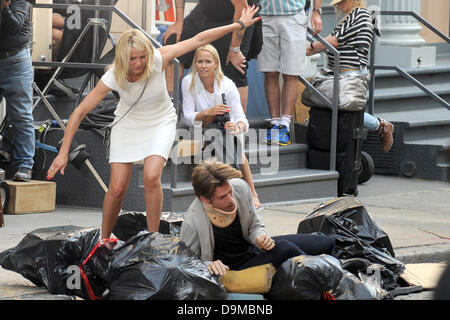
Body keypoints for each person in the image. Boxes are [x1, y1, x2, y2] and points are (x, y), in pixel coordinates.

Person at [46, 5, 262, 240]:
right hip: (127, 123)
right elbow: (78, 113)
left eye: (142, 57)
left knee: (151, 176)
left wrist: (238, 25)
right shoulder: (113, 75)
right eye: (132, 59)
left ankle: (152, 238)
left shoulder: (159, 58)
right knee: (117, 188)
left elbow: (200, 38)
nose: (138, 64)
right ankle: (104, 239)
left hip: (161, 120)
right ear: (122, 59)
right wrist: (63, 153)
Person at [181, 159, 336, 276]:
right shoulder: (192, 222)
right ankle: (322, 276)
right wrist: (209, 264)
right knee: (285, 249)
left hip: (254, 249)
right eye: (223, 197)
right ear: (205, 199)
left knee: (325, 242)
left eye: (230, 192)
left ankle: (333, 271)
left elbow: (255, 226)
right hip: (235, 268)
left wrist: (260, 237)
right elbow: (185, 264)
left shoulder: (240, 188)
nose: (231, 199)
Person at [306, 0, 394, 152]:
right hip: (341, 74)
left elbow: (335, 40)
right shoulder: (353, 16)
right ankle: (379, 126)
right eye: (337, 4)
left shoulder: (359, 15)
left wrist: (308, 49)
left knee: (342, 109)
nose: (339, 6)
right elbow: (333, 40)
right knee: (335, 108)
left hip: (350, 74)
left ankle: (381, 126)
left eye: (342, 2)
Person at [182, 44, 262, 209]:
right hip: (201, 126)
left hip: (227, 127)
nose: (203, 66)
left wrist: (236, 128)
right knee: (210, 143)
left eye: (208, 62)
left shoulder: (228, 84)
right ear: (195, 63)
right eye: (200, 61)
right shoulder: (188, 81)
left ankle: (252, 194)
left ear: (216, 64)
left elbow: (241, 119)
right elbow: (188, 117)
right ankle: (213, 193)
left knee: (237, 150)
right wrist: (208, 112)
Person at [162, 0, 260, 112]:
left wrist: (235, 48)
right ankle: (169, 104)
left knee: (235, 65)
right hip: (207, 10)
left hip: (241, 14)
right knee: (173, 40)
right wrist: (179, 22)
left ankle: (238, 123)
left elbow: (241, 8)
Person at [258, 0, 323, 146]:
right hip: (265, 15)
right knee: (270, 73)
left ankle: (285, 125)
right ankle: (275, 123)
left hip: (294, 15)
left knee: (291, 73)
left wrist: (317, 11)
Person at [0, 0, 35, 181]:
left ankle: (25, 166)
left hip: (16, 61)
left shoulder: (20, 1)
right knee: (21, 115)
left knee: (21, 115)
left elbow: (14, 26)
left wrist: (5, 7)